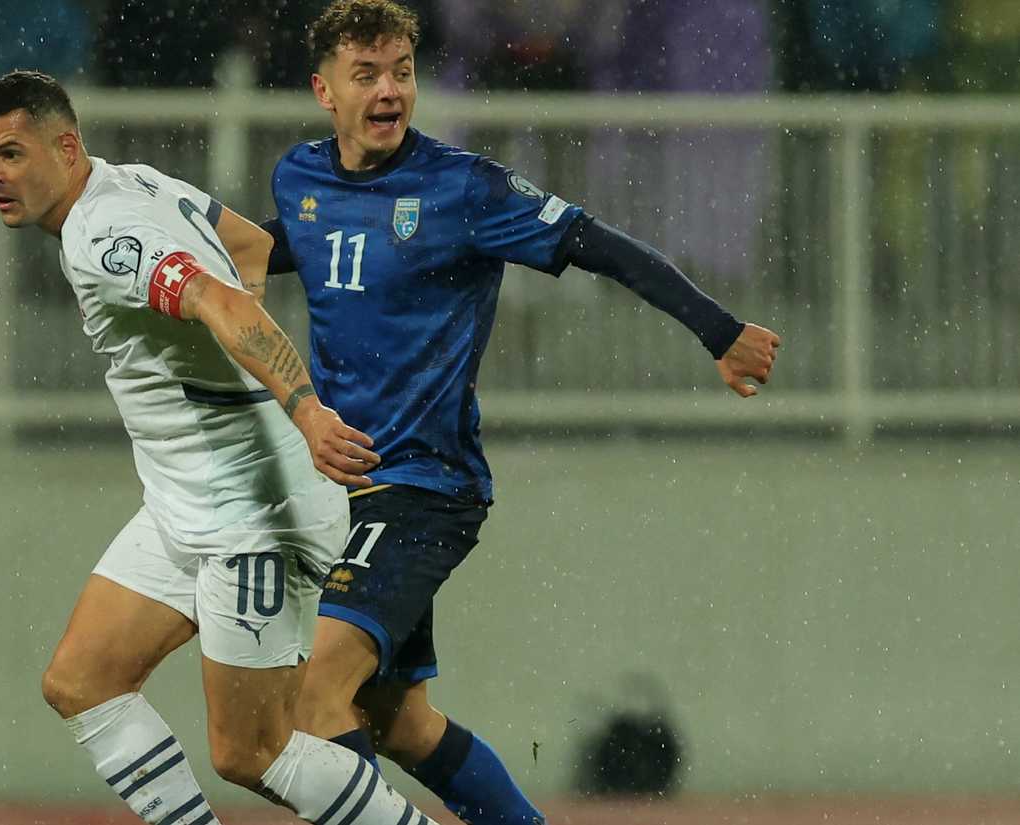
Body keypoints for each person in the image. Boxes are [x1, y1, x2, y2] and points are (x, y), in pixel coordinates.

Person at [258, 3, 782, 824]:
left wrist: (719, 330)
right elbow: (271, 249)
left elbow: (597, 242)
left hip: (424, 488)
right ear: (323, 89)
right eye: (367, 74)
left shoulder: (464, 188)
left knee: (317, 695)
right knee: (399, 720)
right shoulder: (300, 179)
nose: (390, 90)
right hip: (345, 492)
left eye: (402, 70)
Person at [0, 71, 441, 825]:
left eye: (11, 153)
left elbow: (220, 299)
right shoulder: (137, 182)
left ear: (65, 145)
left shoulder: (104, 237)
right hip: (185, 498)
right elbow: (248, 244)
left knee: (253, 751)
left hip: (253, 510)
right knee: (81, 681)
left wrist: (305, 411)